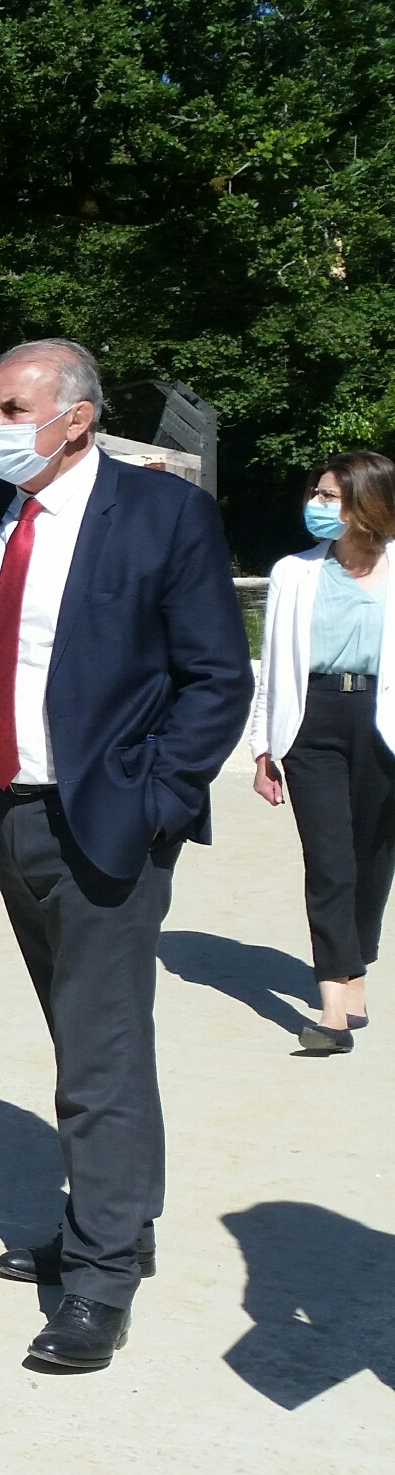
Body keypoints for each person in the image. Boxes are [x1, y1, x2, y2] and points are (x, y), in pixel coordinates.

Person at [0, 338, 251, 1372]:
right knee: (86, 1036)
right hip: (6, 812)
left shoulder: (163, 516)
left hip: (106, 822)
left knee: (98, 1052)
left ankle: (101, 1275)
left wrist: (158, 799)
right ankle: (117, 1217)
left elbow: (214, 680)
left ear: (76, 414)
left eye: (10, 405)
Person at [248, 450, 395, 1053]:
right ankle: (335, 1007)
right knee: (330, 859)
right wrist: (262, 746)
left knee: (373, 855)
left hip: (383, 721)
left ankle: (355, 962)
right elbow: (273, 665)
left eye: (331, 497)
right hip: (313, 721)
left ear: (368, 504)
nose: (318, 504)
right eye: (317, 493)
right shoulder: (293, 572)